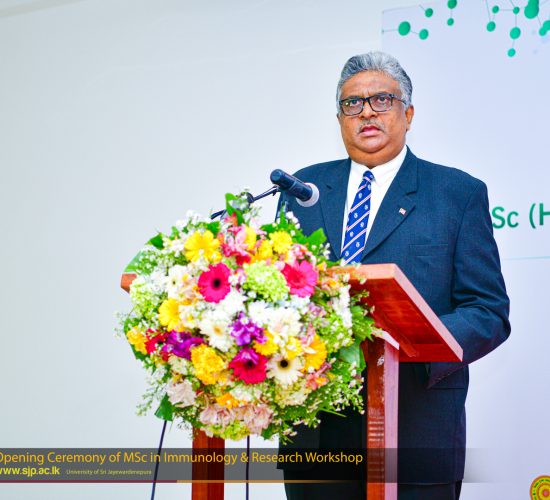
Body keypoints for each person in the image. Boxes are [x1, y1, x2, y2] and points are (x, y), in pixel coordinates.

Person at [278, 51, 510, 500]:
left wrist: (414, 345)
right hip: (316, 430)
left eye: (382, 100)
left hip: (415, 422)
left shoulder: (456, 193)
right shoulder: (304, 189)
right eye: (352, 103)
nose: (366, 112)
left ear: (409, 114)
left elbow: (487, 311)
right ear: (339, 119)